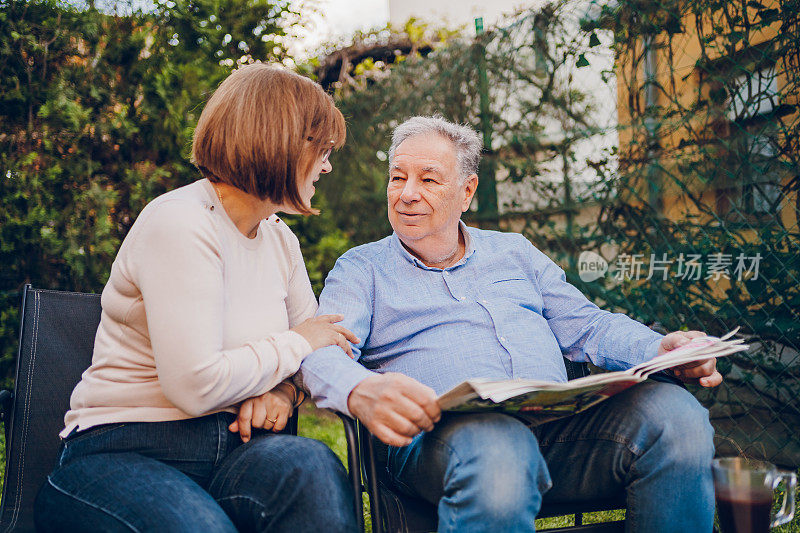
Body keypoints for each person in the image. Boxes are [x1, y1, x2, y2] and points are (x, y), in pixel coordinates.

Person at [297, 115, 723, 532]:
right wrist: (362, 389)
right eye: (397, 177)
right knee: (500, 446)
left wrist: (659, 349)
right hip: (436, 442)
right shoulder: (361, 269)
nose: (407, 194)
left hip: (556, 432)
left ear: (466, 192)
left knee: (675, 416)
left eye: (428, 180)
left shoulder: (514, 252)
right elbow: (321, 352)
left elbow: (588, 326)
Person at [35, 64, 359, 533]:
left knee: (311, 470)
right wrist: (297, 344)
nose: (327, 165)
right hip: (125, 450)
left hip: (236, 451)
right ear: (279, 142)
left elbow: (317, 346)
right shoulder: (180, 224)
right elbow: (195, 385)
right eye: (322, 149)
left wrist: (284, 390)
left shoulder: (279, 240)